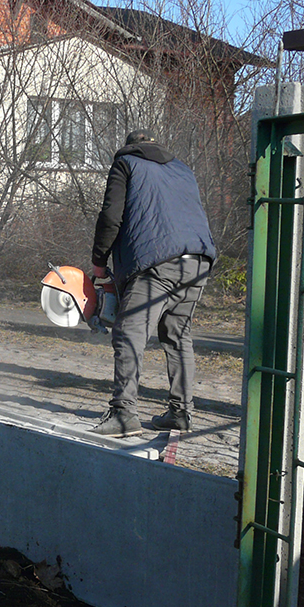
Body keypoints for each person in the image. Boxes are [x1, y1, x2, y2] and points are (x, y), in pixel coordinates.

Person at [89, 130, 216, 437]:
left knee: (129, 332)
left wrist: (99, 261)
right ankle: (181, 413)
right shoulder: (182, 169)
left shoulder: (126, 163)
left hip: (157, 261)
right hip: (198, 259)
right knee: (178, 335)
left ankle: (123, 414)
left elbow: (111, 216)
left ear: (130, 147)